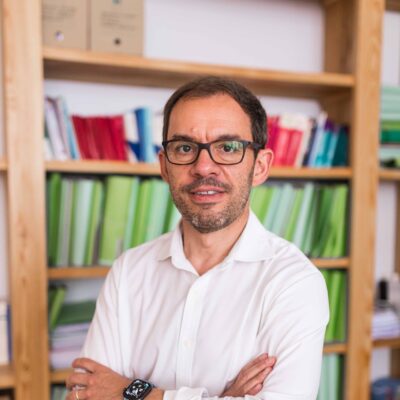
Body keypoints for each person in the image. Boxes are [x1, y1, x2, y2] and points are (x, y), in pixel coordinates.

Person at [66, 76, 329, 400]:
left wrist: (135, 393)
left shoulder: (294, 282)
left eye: (228, 148)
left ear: (260, 166)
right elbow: (85, 395)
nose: (204, 167)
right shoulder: (128, 271)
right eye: (185, 148)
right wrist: (224, 397)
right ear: (165, 167)